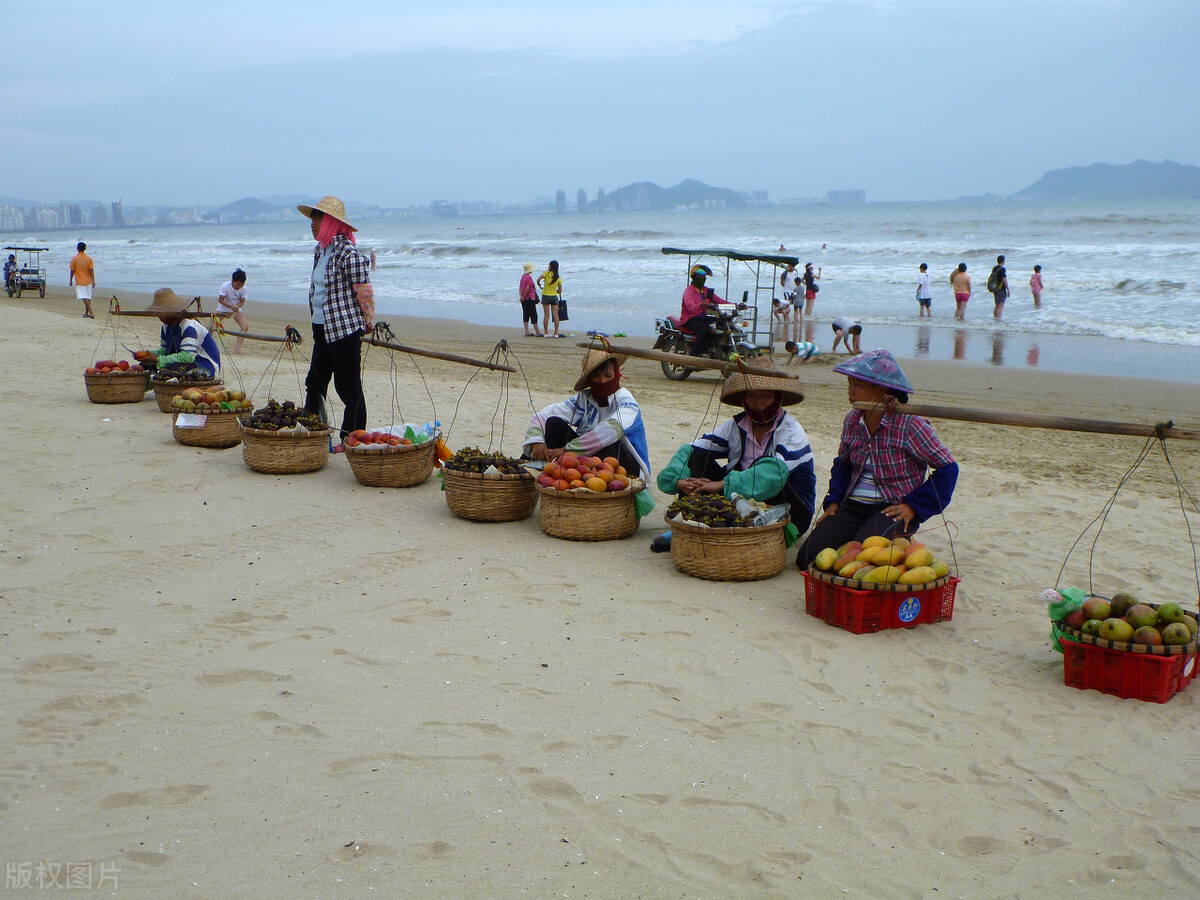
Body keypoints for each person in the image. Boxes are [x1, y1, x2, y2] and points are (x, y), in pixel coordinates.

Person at [795, 348, 958, 570]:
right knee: (808, 560)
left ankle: (900, 538)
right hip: (853, 503)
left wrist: (914, 506)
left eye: (857, 385)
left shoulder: (910, 425)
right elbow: (843, 463)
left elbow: (948, 467)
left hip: (891, 508)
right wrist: (834, 500)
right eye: (849, 383)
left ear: (881, 388)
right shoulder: (853, 420)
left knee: (862, 563)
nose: (850, 391)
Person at [650, 367, 816, 552]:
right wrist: (678, 479)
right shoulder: (736, 426)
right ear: (743, 399)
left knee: (763, 466)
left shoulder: (791, 431)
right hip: (739, 502)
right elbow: (692, 448)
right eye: (751, 395)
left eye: (766, 395)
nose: (758, 402)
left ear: (778, 398)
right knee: (696, 456)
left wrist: (720, 484)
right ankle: (691, 524)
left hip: (788, 508)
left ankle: (721, 532)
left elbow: (772, 475)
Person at [298, 195, 373, 452]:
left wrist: (368, 321)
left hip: (344, 329)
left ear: (330, 221)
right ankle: (311, 430)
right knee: (315, 381)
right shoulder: (321, 251)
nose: (312, 224)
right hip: (321, 327)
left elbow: (364, 290)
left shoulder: (347, 253)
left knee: (348, 386)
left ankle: (351, 438)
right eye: (312, 218)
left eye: (317, 218)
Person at [523, 348, 650, 478]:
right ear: (590, 380)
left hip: (625, 466)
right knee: (553, 423)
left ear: (616, 374)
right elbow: (543, 415)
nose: (602, 381)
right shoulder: (585, 398)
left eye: (608, 375)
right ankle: (537, 467)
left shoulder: (627, 402)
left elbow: (610, 429)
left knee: (612, 440)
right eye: (597, 376)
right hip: (588, 460)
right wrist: (536, 441)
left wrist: (568, 450)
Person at [145, 288, 221, 377]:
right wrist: (150, 355)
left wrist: (159, 359)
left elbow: (188, 356)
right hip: (187, 362)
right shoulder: (166, 327)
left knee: (170, 370)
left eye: (161, 313)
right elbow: (165, 351)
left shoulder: (189, 326)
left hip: (203, 365)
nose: (158, 316)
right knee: (146, 366)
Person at [678, 264, 732, 357]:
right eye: (701, 276)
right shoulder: (689, 291)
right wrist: (701, 305)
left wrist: (735, 305)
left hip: (702, 317)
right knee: (703, 328)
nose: (703, 278)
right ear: (694, 277)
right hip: (689, 319)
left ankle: (717, 349)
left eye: (704, 276)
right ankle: (694, 355)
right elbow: (690, 306)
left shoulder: (706, 291)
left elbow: (719, 301)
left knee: (721, 323)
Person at [217, 269, 250, 354]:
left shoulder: (244, 288)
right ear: (233, 281)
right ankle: (204, 345)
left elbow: (242, 301)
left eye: (242, 284)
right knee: (212, 326)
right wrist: (230, 306)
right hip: (223, 308)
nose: (240, 286)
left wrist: (236, 307)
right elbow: (221, 300)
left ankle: (237, 349)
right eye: (238, 284)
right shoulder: (225, 286)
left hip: (235, 309)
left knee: (245, 326)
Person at [69, 241, 96, 318]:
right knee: (87, 297)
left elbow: (72, 270)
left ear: (77, 249)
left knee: (83, 296)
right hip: (88, 280)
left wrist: (71, 280)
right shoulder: (89, 258)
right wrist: (93, 280)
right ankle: (86, 313)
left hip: (80, 280)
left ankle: (91, 312)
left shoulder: (74, 259)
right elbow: (91, 270)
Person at [537, 260, 564, 338]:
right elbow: (560, 291)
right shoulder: (558, 277)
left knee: (546, 315)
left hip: (545, 296)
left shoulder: (546, 273)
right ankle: (556, 333)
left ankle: (546, 332)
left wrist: (540, 285)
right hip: (554, 297)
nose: (548, 267)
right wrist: (554, 291)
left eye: (549, 265)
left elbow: (538, 279)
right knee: (556, 315)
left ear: (551, 267)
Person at [519, 262, 543, 336]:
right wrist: (525, 296)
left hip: (524, 299)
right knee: (533, 314)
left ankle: (526, 331)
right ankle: (537, 332)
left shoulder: (523, 276)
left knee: (525, 314)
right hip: (529, 298)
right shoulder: (529, 277)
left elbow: (520, 288)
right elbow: (529, 287)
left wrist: (521, 296)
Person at [988, 254, 1009, 319]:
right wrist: (1008, 289)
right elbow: (1004, 279)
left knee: (997, 304)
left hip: (995, 288)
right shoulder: (1002, 269)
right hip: (1001, 288)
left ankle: (995, 318)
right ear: (1003, 261)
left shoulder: (994, 268)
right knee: (1001, 304)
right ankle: (998, 319)